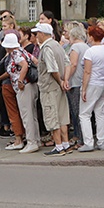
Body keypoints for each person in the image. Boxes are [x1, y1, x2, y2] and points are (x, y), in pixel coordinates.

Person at [34, 22, 72, 156]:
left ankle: (59, 146)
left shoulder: (47, 48)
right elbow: (67, 63)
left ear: (43, 34)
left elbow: (52, 69)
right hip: (59, 87)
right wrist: (65, 80)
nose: (36, 35)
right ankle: (66, 144)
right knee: (62, 116)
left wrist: (61, 80)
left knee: (52, 116)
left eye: (38, 33)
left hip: (50, 87)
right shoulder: (58, 45)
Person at [78, 26, 104, 152]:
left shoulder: (90, 51)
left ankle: (88, 142)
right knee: (100, 113)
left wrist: (83, 89)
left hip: (92, 83)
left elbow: (87, 71)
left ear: (92, 37)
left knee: (84, 114)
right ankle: (101, 141)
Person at [8, 32, 41, 154]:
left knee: (27, 115)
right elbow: (36, 61)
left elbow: (25, 65)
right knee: (32, 114)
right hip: (31, 85)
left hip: (24, 87)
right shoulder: (23, 51)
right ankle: (36, 140)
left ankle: (31, 142)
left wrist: (20, 80)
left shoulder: (15, 54)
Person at [0, 32, 25, 151]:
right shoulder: (22, 52)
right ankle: (22, 137)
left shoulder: (13, 55)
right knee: (22, 112)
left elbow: (10, 71)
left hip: (11, 85)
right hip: (18, 86)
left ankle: (18, 138)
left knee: (13, 112)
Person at [63, 22, 89, 145]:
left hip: (75, 81)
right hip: (83, 80)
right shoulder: (86, 46)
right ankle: (83, 137)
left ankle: (80, 137)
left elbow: (73, 64)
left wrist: (66, 78)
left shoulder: (75, 47)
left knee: (76, 111)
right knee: (82, 111)